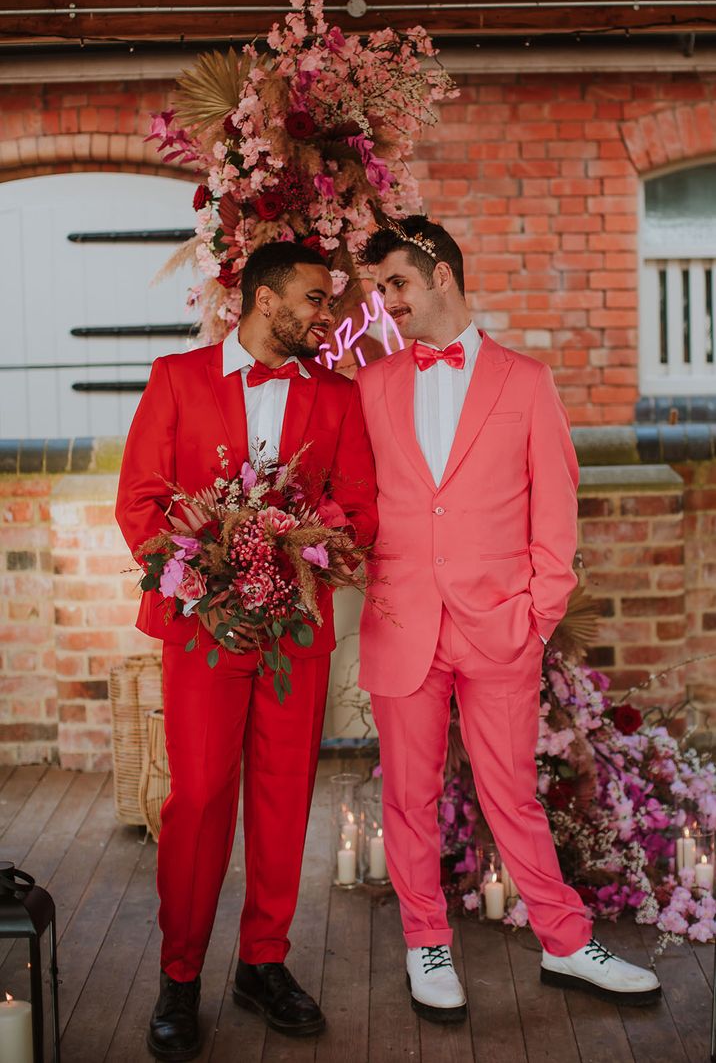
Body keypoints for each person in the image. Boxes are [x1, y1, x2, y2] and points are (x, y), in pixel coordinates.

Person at [354, 215, 661, 1023]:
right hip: (402, 621)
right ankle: (428, 945)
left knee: (513, 794)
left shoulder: (526, 382)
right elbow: (357, 501)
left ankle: (566, 944)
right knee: (409, 799)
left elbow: (557, 515)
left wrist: (535, 612)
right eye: (379, 290)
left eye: (396, 285)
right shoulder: (373, 385)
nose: (387, 304)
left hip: (501, 626)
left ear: (442, 276)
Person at [115, 241, 377, 1061]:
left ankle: (263, 963)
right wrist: (207, 579)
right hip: (204, 629)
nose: (325, 316)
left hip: (294, 632)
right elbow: (142, 502)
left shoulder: (339, 396)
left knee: (283, 793)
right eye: (312, 300)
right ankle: (180, 976)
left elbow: (359, 509)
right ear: (263, 299)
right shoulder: (175, 380)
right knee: (196, 801)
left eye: (328, 302)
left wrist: (301, 549)